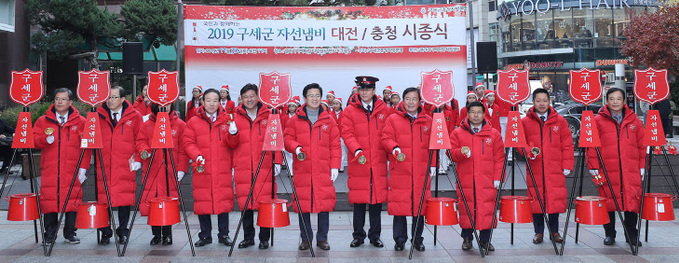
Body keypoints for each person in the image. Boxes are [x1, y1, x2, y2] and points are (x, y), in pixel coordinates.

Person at [284, 83, 341, 251]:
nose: (314, 99)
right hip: (303, 169)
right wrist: (296, 147)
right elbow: (287, 139)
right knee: (303, 204)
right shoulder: (295, 119)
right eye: (311, 95)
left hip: (323, 169)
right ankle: (306, 238)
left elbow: (335, 145)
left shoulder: (329, 119)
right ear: (304, 98)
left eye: (317, 95)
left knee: (324, 204)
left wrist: (335, 166)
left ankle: (322, 238)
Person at [587, 88, 645, 247]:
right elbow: (592, 146)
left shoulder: (635, 121)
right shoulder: (598, 120)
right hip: (607, 168)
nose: (615, 102)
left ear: (624, 101)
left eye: (618, 99)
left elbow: (642, 146)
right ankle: (609, 234)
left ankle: (631, 234)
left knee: (632, 202)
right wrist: (593, 165)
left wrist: (642, 166)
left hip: (630, 169)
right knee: (608, 201)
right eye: (611, 99)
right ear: (606, 101)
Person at [227, 84, 280, 249]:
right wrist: (232, 133)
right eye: (245, 97)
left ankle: (264, 238)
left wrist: (277, 161)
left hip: (264, 167)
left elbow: (277, 139)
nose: (249, 99)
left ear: (258, 97)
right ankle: (248, 237)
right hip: (243, 167)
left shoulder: (269, 115)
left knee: (265, 203)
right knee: (245, 205)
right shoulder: (234, 117)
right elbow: (230, 145)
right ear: (241, 99)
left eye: (252, 96)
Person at [33, 88, 90, 245]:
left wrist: (83, 168)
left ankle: (70, 232)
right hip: (51, 169)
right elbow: (34, 140)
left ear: (70, 102)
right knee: (50, 201)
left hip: (72, 168)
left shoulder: (81, 122)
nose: (59, 102)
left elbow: (86, 148)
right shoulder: (43, 121)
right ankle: (50, 233)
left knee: (72, 199)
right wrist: (45, 139)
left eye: (63, 99)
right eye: (57, 99)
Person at [381, 87, 434, 252]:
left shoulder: (428, 121)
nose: (411, 102)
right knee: (400, 206)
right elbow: (385, 138)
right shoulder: (393, 119)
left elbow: (434, 147)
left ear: (420, 101)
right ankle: (400, 240)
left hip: (421, 171)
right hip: (400, 169)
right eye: (408, 99)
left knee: (420, 206)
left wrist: (433, 165)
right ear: (403, 101)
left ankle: (417, 239)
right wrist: (394, 148)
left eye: (414, 99)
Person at [449, 101, 505, 252]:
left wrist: (498, 177)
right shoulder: (457, 133)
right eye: (472, 112)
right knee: (466, 207)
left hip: (487, 179)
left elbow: (500, 158)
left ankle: (485, 240)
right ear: (467, 114)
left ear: (484, 114)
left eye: (479, 112)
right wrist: (461, 152)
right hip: (466, 179)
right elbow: (451, 154)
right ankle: (467, 238)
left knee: (487, 208)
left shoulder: (493, 134)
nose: (476, 115)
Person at [342, 76, 389, 248]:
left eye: (368, 89)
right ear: (357, 90)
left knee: (376, 201)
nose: (364, 92)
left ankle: (375, 236)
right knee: (359, 201)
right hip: (359, 160)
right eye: (361, 89)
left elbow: (389, 134)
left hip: (378, 161)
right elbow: (347, 133)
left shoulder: (384, 110)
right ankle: (358, 236)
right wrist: (356, 149)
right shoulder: (349, 110)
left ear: (374, 90)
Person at [184, 88, 236, 247]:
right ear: (202, 101)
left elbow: (233, 145)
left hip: (222, 167)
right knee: (203, 201)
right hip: (202, 167)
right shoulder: (193, 121)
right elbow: (188, 142)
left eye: (215, 100)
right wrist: (196, 155)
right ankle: (205, 235)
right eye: (208, 100)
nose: (212, 103)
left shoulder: (227, 120)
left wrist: (234, 134)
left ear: (220, 102)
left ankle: (224, 234)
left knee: (223, 201)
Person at [521, 88, 573, 244]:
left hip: (555, 168)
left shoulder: (560, 121)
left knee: (554, 200)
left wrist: (567, 164)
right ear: (533, 102)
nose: (541, 103)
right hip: (535, 167)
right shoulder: (525, 122)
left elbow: (568, 145)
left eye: (544, 100)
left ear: (549, 102)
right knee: (536, 200)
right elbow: (519, 143)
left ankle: (554, 231)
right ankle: (538, 232)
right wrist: (529, 152)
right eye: (538, 100)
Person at [136, 103, 189, 245]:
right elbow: (140, 141)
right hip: (152, 169)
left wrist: (182, 169)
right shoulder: (147, 124)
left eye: (167, 104)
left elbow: (184, 149)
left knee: (169, 202)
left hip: (171, 171)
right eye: (160, 105)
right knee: (153, 203)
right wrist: (144, 151)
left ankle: (167, 234)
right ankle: (156, 234)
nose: (164, 107)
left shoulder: (180, 125)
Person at [96, 86, 143, 245]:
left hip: (125, 165)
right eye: (108, 97)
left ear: (123, 99)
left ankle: (123, 231)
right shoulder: (97, 115)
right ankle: (105, 231)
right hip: (104, 164)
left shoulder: (134, 116)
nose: (110, 100)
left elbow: (140, 139)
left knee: (124, 200)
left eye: (114, 97)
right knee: (104, 199)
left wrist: (138, 158)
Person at [331, 98, 348, 172]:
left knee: (342, 151)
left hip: (342, 135)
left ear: (340, 105)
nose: (335, 105)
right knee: (333, 151)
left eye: (337, 104)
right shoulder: (330, 114)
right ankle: (334, 166)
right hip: (333, 136)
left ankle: (340, 167)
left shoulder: (344, 114)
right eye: (334, 104)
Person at [0, 108, 15, 173]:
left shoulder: (1, 122)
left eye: (0, 113)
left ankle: (5, 168)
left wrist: (16, 133)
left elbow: (9, 129)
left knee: (9, 150)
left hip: (1, 144)